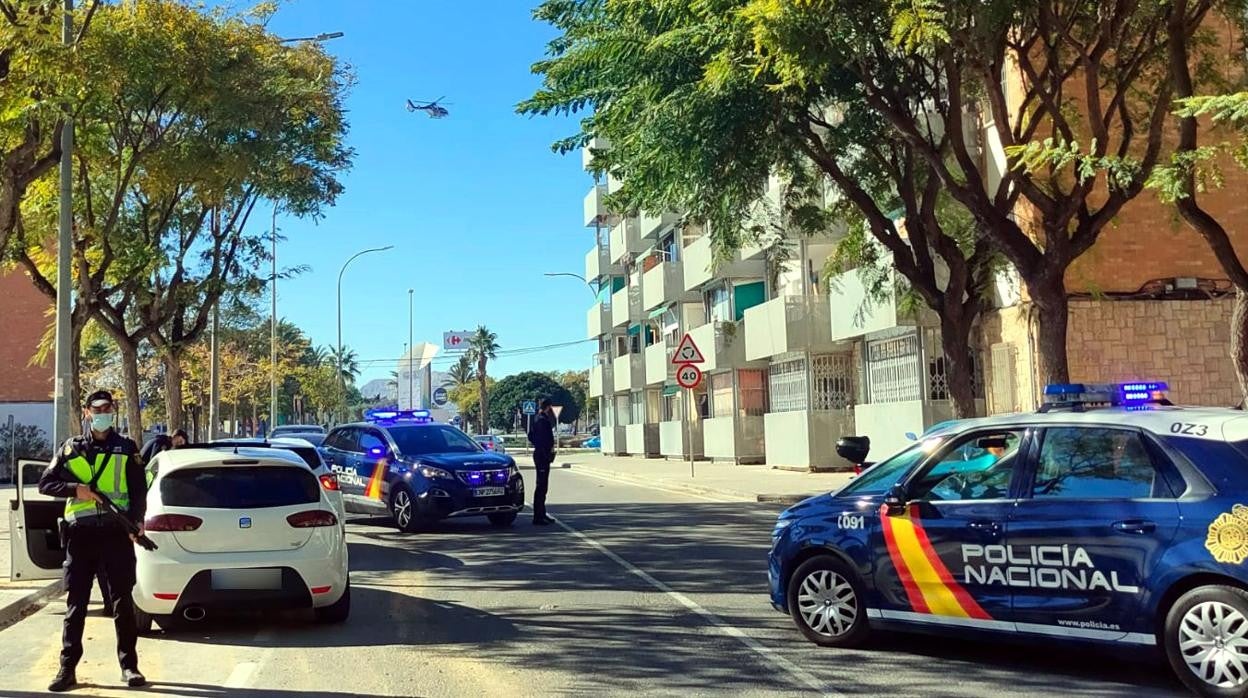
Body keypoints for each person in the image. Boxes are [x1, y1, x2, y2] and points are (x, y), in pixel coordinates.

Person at [38, 389, 147, 692]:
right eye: (96, 408)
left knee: (123, 604)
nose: (102, 413)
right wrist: (76, 489)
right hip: (81, 536)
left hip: (115, 532)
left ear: (114, 411)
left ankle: (129, 667)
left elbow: (139, 490)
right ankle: (67, 669)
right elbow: (45, 483)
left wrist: (137, 521)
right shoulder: (71, 449)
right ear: (86, 412)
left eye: (107, 407)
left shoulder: (127, 448)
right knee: (76, 605)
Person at [527, 399, 556, 526]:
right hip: (542, 456)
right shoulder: (542, 420)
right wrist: (545, 452)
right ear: (548, 407)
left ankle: (542, 514)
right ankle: (538, 516)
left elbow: (530, 435)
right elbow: (541, 439)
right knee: (541, 486)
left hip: (540, 454)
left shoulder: (537, 419)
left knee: (543, 486)